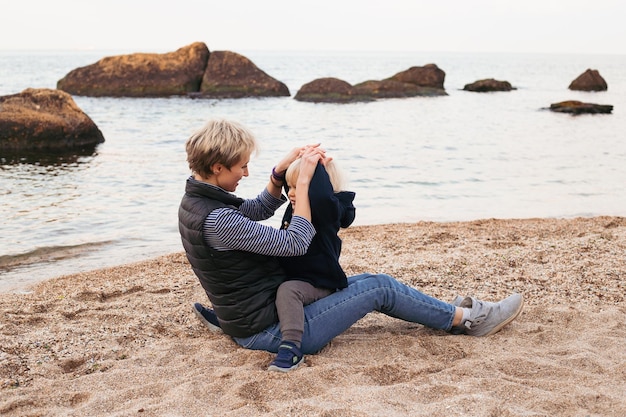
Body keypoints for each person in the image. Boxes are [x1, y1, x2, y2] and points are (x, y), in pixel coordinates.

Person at [180, 119, 524, 371]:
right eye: (242, 166)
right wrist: (301, 185)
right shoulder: (218, 219)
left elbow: (254, 211)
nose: (246, 173)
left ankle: (449, 312)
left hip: (253, 316)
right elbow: (297, 241)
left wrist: (277, 175)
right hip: (276, 330)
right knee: (379, 287)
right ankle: (469, 320)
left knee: (368, 282)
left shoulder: (196, 204)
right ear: (217, 166)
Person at [267, 158, 356, 371]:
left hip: (319, 281)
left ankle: (291, 347)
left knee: (288, 291)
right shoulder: (296, 207)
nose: (291, 193)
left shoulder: (325, 212)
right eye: (291, 187)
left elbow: (322, 197)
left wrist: (312, 176)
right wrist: (292, 165)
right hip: (297, 274)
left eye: (300, 186)